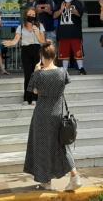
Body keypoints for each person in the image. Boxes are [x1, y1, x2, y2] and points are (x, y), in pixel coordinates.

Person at [24, 42, 82, 191]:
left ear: (41, 57)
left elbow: (34, 92)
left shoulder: (39, 74)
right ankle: (74, 176)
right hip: (58, 114)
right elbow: (65, 84)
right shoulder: (62, 72)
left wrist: (37, 71)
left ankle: (46, 181)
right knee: (62, 147)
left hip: (42, 114)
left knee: (42, 147)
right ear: (55, 56)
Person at [3, 8, 45, 105]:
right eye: (29, 14)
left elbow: (42, 41)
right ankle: (27, 98)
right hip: (26, 51)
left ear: (35, 16)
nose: (31, 16)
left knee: (36, 75)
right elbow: (16, 40)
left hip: (37, 50)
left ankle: (35, 98)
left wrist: (37, 32)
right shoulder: (21, 26)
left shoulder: (40, 26)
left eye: (33, 14)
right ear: (26, 15)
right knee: (28, 75)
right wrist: (10, 43)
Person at [53, 0, 86, 75]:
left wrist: (70, 8)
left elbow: (79, 14)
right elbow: (54, 16)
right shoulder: (59, 3)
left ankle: (81, 68)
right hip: (63, 33)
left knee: (78, 52)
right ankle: (64, 70)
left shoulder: (77, 3)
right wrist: (61, 9)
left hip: (75, 33)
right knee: (64, 53)